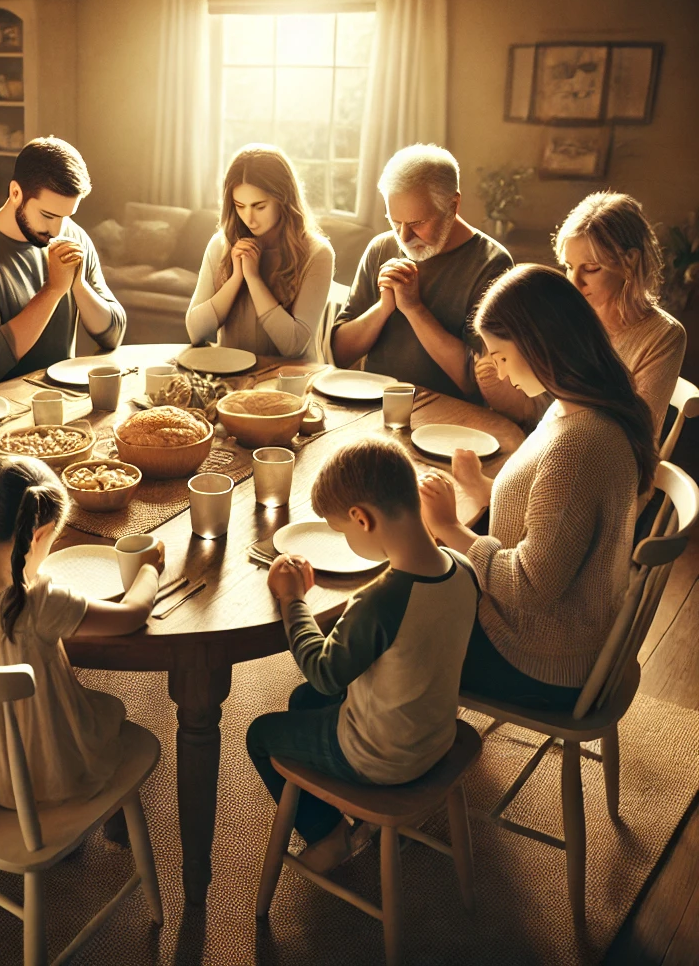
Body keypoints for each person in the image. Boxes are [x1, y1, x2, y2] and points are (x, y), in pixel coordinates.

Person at [419, 265, 656, 711]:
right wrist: (480, 486)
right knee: (409, 595)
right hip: (558, 636)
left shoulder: (579, 445)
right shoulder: (575, 405)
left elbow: (530, 586)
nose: (499, 372)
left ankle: (383, 757)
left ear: (537, 343)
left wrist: (452, 529)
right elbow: (555, 520)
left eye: (501, 356)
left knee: (387, 628)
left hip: (538, 660)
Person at [247, 438, 479, 873]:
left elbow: (324, 673)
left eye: (343, 530)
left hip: (380, 757)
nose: (345, 538)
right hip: (434, 735)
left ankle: (330, 836)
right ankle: (350, 818)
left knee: (262, 733)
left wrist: (292, 600)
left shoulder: (379, 602)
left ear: (362, 518)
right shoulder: (462, 568)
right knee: (301, 702)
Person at [0, 457, 165, 806]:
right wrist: (149, 570)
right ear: (37, 535)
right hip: (51, 773)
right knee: (111, 717)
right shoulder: (40, 602)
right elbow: (131, 615)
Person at [477, 191, 686, 433]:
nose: (574, 284)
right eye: (569, 267)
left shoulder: (663, 336)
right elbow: (538, 409)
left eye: (591, 269)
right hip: (549, 437)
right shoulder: (565, 313)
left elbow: (638, 433)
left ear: (629, 262)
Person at [330, 144, 513, 399]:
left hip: (450, 419)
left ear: (453, 205)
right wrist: (383, 308)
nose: (404, 237)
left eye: (417, 223)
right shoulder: (381, 248)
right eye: (394, 222)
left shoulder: (491, 263)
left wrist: (414, 309)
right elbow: (339, 354)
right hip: (372, 406)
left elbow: (478, 381)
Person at [0, 136, 126, 386]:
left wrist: (79, 286)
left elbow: (113, 335)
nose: (57, 230)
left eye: (67, 216)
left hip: (61, 401)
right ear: (16, 192)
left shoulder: (73, 235)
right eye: (48, 215)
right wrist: (53, 291)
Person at [185, 144, 334, 361]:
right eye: (239, 205)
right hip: (230, 381)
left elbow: (294, 345)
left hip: (288, 385)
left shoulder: (317, 253)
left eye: (259, 206)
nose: (249, 218)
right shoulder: (221, 244)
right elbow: (195, 332)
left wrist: (253, 278)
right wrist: (236, 278)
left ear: (284, 199)